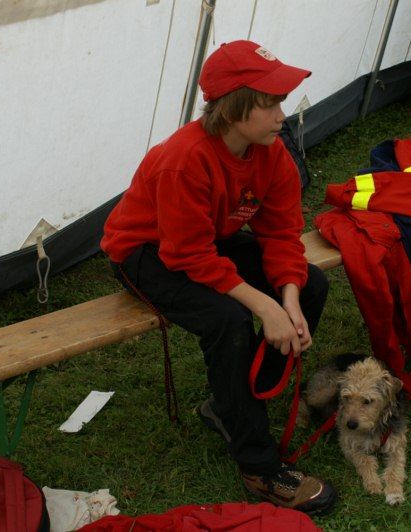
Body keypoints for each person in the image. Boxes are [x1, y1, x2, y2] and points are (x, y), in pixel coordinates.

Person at [101, 40, 336, 515]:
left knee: (311, 284)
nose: (281, 115)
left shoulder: (270, 152)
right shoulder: (184, 159)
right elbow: (186, 254)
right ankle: (258, 465)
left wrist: (288, 300)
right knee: (228, 319)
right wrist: (264, 305)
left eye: (281, 102)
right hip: (146, 252)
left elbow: (281, 234)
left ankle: (237, 401)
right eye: (270, 104)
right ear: (233, 108)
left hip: (205, 240)